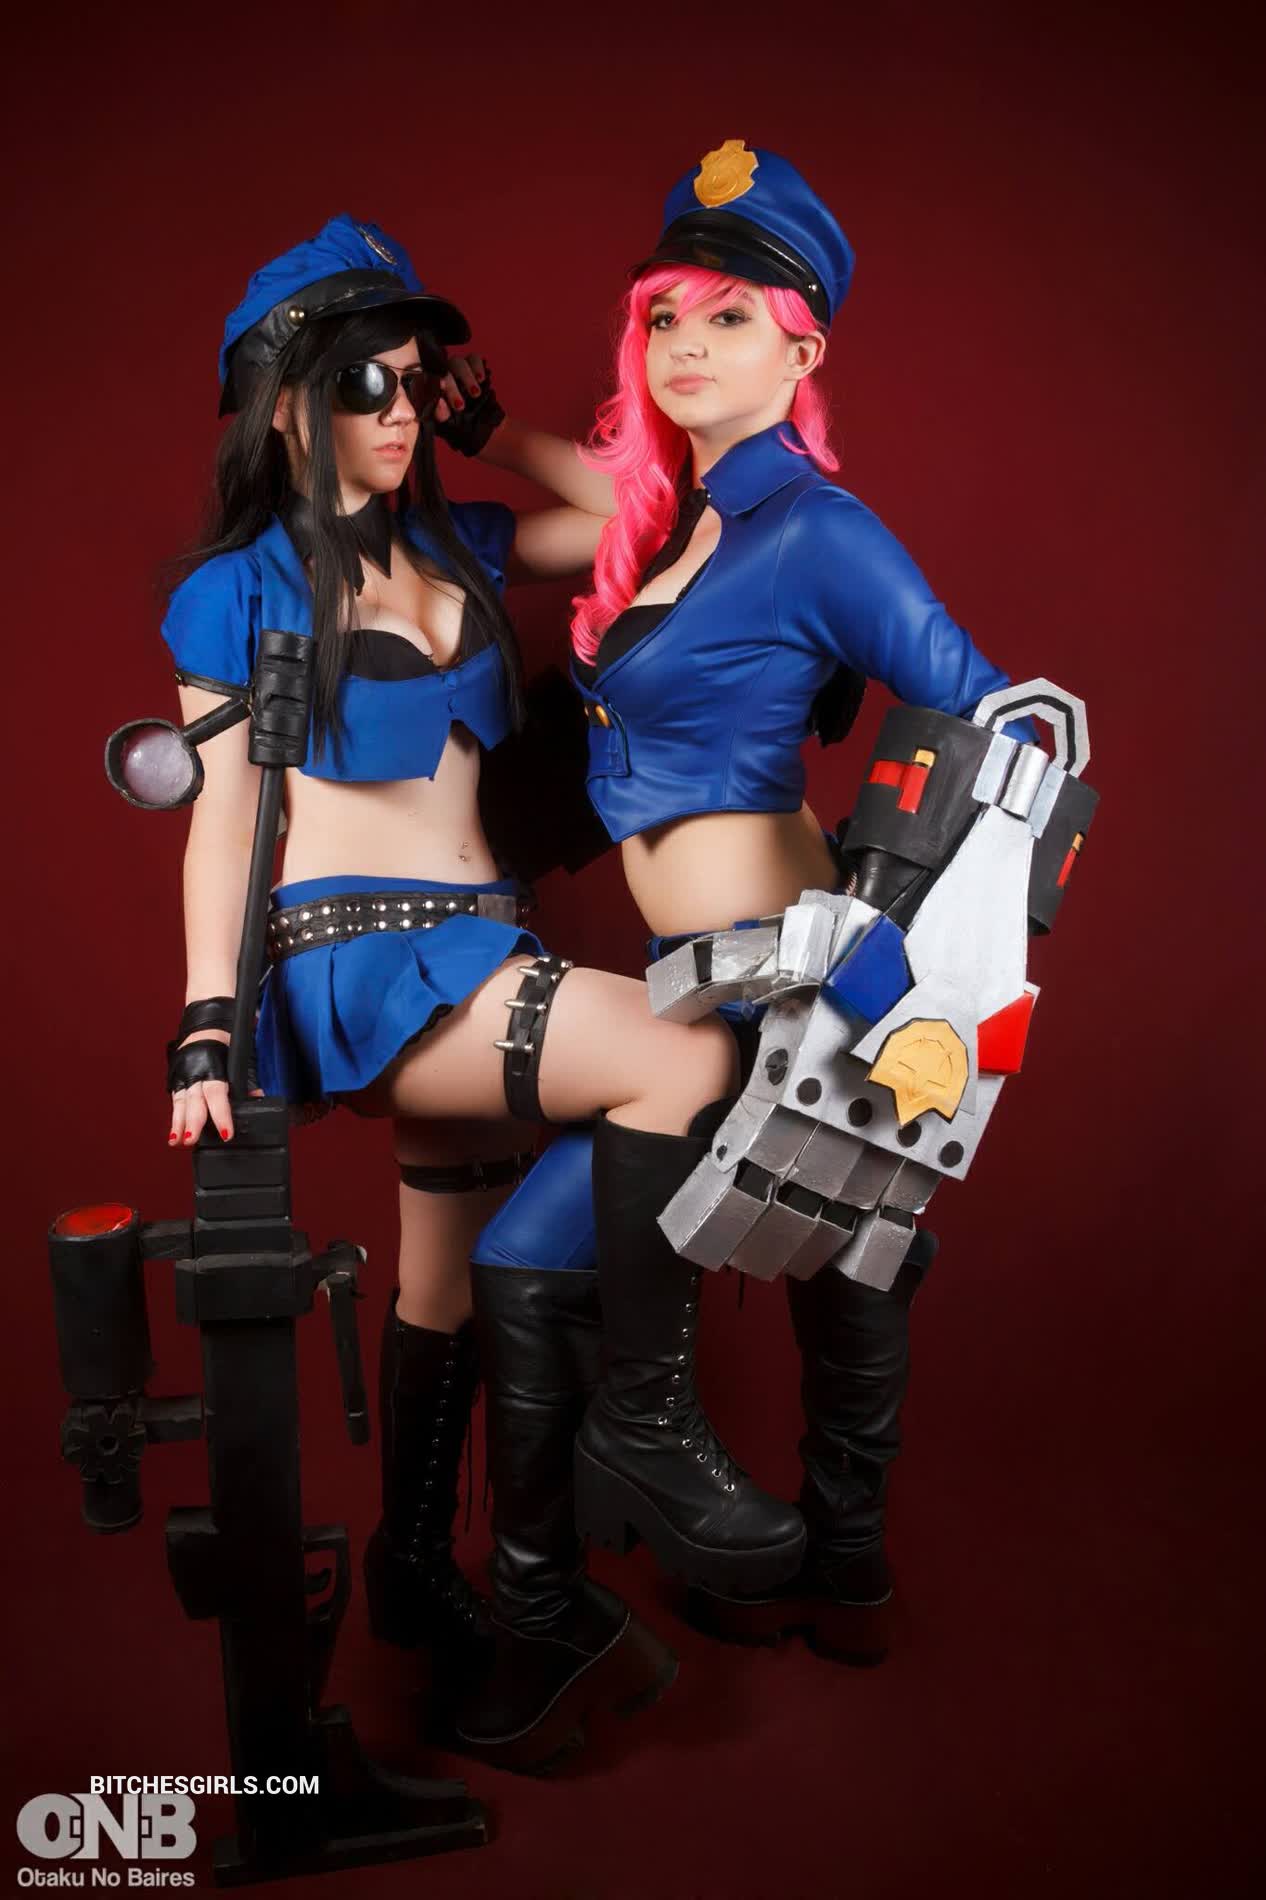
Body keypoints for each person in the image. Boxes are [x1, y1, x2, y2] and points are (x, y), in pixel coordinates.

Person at [158, 213, 749, 1756]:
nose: (402, 410)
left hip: (488, 940)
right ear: (285, 403)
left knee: (448, 1275)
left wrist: (496, 432)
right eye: (367, 382)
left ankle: (418, 1566)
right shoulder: (238, 588)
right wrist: (207, 1020)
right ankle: (638, 1425)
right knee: (685, 1057)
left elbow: (640, 508)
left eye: (418, 382)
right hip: (360, 960)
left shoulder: (458, 547)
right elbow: (223, 815)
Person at [471, 141, 1034, 1668]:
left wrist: (909, 947)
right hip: (684, 983)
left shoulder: (816, 530)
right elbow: (606, 493)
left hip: (801, 976)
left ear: (803, 348)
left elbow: (1007, 725)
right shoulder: (682, 523)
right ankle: (602, 1576)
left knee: (851, 1256)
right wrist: (495, 432)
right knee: (529, 1264)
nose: (685, 345)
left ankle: (843, 1562)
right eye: (664, 316)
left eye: (728, 317)